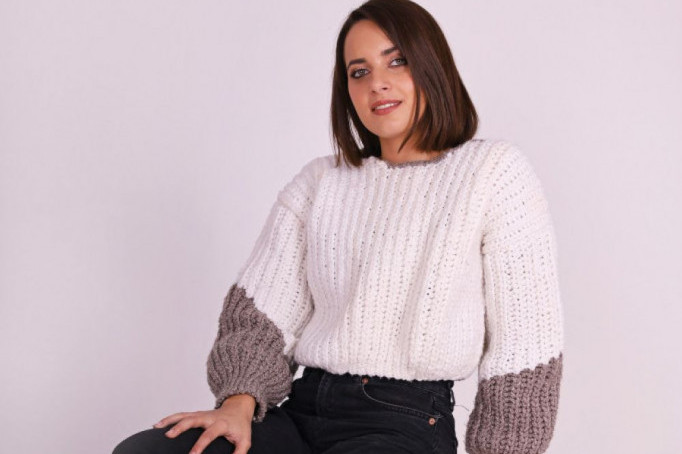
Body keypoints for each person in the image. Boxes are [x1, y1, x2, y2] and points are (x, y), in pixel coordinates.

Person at [112, 0, 564, 453]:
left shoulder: (493, 172)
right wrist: (237, 404)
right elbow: (261, 315)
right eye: (358, 71)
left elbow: (524, 340)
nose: (377, 83)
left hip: (404, 423)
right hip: (303, 411)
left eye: (397, 61)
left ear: (433, 66)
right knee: (146, 452)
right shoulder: (320, 182)